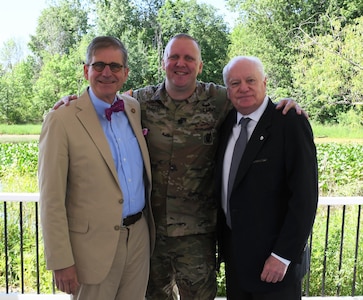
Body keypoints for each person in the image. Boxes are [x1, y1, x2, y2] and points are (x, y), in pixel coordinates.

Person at [53, 34, 305, 299]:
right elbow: (103, 98)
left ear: (200, 65)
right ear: (163, 62)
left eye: (188, 58)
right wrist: (72, 101)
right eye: (174, 57)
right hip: (150, 237)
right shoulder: (139, 103)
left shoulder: (219, 100)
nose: (180, 63)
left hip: (198, 237)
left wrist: (283, 106)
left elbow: (252, 98)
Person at [38, 36, 155, 300]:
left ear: (125, 73)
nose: (106, 73)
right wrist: (60, 260)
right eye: (98, 65)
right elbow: (51, 198)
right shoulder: (61, 119)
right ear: (85, 70)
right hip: (90, 251)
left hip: (138, 239)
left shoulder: (133, 109)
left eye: (115, 66)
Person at [215, 55, 318, 299]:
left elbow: (304, 196)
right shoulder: (226, 123)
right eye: (235, 83)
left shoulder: (289, 122)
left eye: (250, 80)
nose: (244, 88)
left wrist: (283, 256)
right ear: (227, 91)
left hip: (274, 265)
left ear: (265, 82)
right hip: (236, 261)